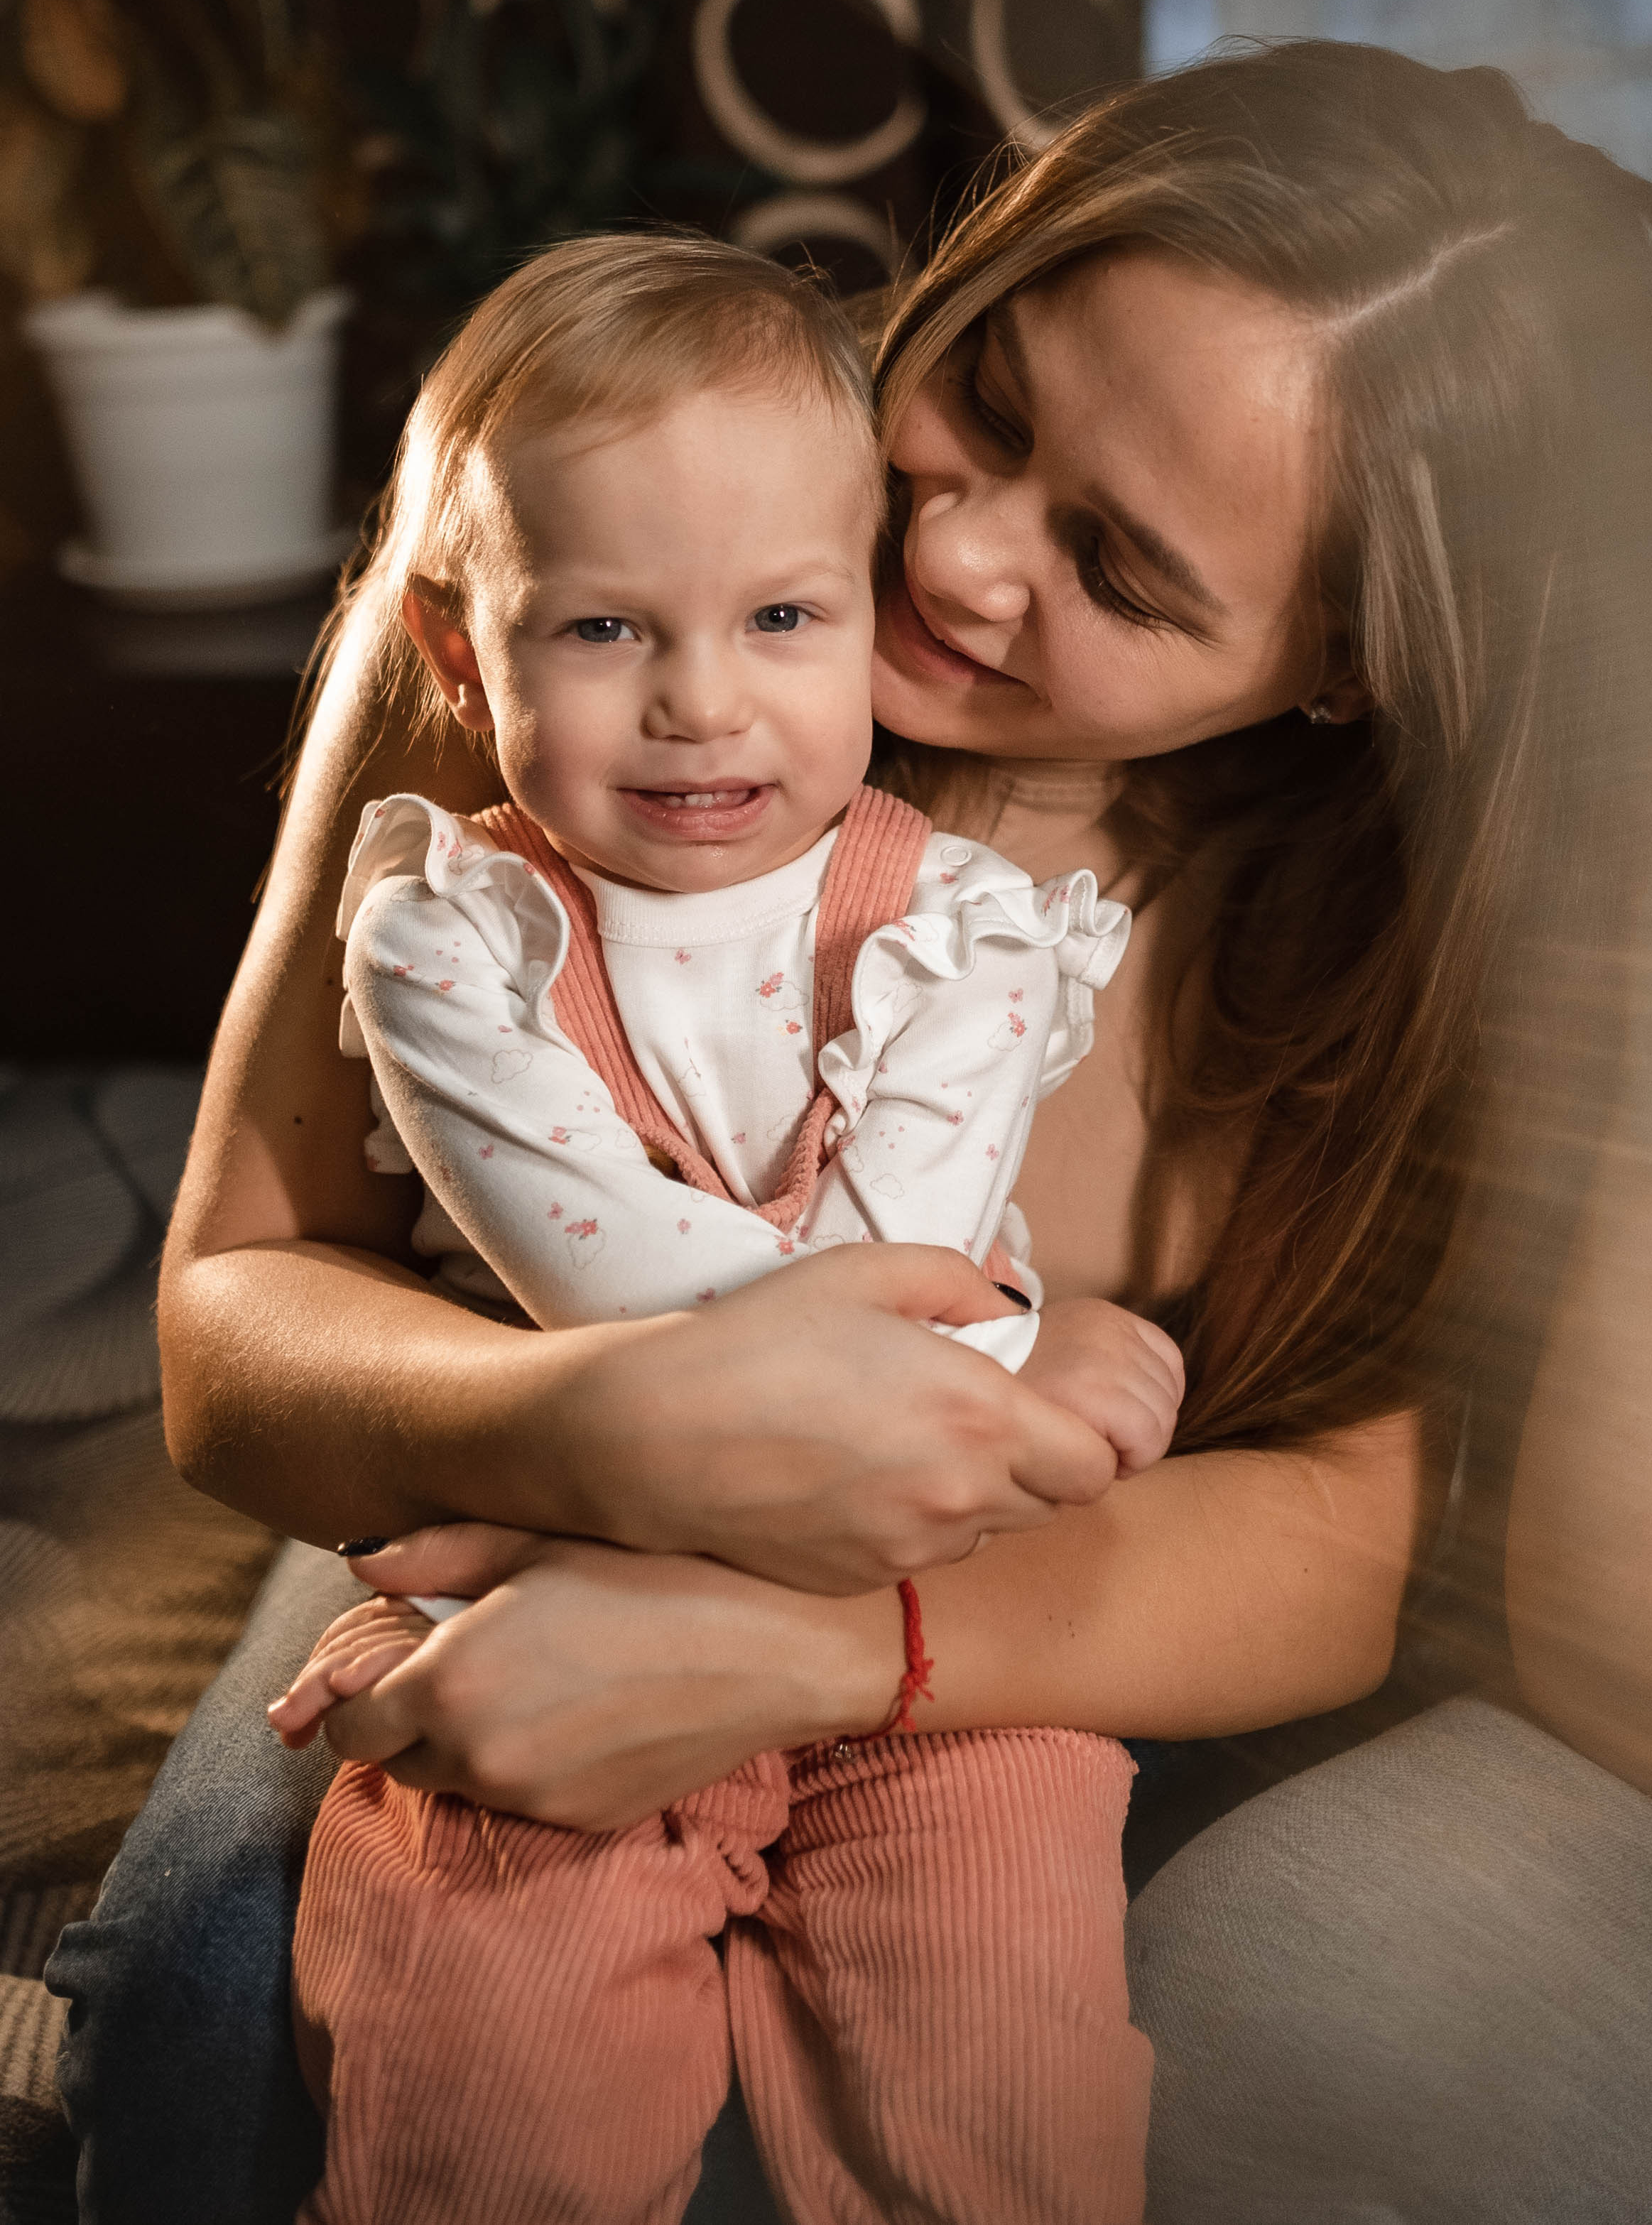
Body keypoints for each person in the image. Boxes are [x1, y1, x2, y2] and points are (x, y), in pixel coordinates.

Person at [47, 40, 1652, 2223]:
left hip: (1045, 1610)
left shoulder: (1401, 928)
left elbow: (1352, 1537)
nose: (954, 539)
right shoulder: (607, 532)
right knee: (209, 2012)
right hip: (513, 1463)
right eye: (992, 398)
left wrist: (822, 1650)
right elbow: (234, 1325)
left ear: (1340, 672)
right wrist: (610, 1427)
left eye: (1118, 565)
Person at [268, 230, 1170, 2225]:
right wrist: (1031, 1348)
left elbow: (897, 1330)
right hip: (557, 1596)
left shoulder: (964, 925)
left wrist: (949, 1355)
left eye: (778, 616)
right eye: (600, 630)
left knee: (1006, 2065)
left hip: (928, 1619)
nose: (698, 703)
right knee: (480, 2065)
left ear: (863, 615)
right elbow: (613, 1278)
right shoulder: (449, 931)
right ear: (456, 651)